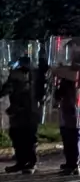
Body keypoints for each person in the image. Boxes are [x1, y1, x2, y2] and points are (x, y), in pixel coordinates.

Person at [2, 46, 46, 174]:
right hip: (17, 110)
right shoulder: (16, 73)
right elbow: (7, 88)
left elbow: (38, 91)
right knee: (16, 134)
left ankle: (31, 162)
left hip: (30, 110)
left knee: (29, 136)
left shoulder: (35, 74)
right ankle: (21, 162)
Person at [52, 38, 80, 175]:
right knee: (70, 133)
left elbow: (77, 77)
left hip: (77, 104)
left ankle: (75, 164)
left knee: (75, 134)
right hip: (69, 103)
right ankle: (78, 161)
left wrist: (57, 70)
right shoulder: (69, 64)